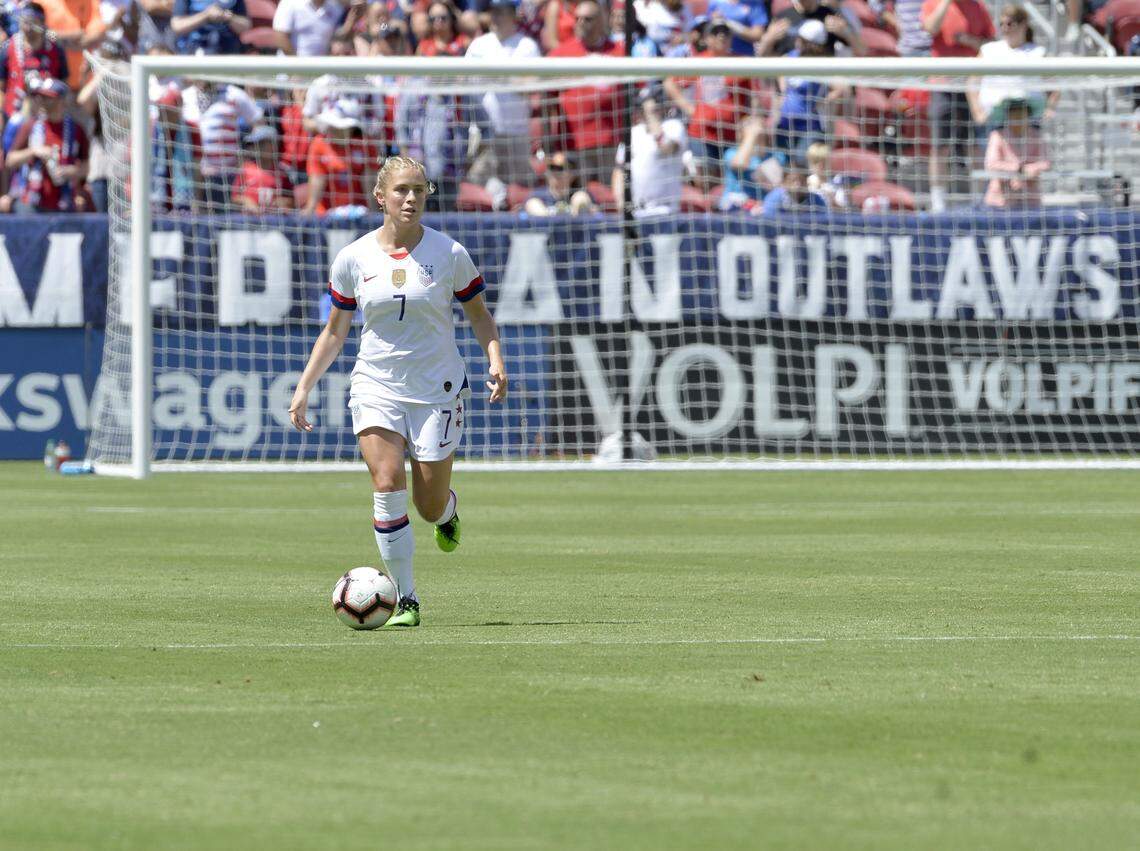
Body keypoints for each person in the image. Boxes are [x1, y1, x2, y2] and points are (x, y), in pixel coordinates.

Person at [289, 155, 508, 628]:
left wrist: (494, 358)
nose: (411, 198)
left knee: (426, 507)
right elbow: (334, 331)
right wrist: (304, 386)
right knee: (387, 483)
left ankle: (447, 509)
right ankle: (406, 599)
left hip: (437, 388)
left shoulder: (449, 254)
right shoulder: (353, 257)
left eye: (419, 190)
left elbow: (478, 315)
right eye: (402, 190)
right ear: (380, 196)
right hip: (376, 383)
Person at [920, 0, 994, 211]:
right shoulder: (933, 3)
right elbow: (930, 28)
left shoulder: (978, 6)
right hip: (942, 85)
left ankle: (979, 199)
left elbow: (992, 44)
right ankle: (938, 202)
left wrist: (970, 41)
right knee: (940, 145)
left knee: (974, 145)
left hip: (972, 86)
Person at [464, 0, 540, 202]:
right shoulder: (478, 45)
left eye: (501, 12)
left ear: (513, 15)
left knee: (519, 190)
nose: (495, 18)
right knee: (478, 182)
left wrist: (501, 76)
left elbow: (530, 87)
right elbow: (463, 86)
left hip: (515, 133)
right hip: (483, 134)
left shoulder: (527, 46)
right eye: (493, 12)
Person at [548, 0, 625, 184]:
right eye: (577, 18)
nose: (580, 23)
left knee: (608, 199)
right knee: (579, 199)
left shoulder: (618, 53)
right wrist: (550, 143)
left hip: (610, 144)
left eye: (587, 19)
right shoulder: (562, 53)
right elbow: (546, 97)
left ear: (601, 21)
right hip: (573, 145)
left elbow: (638, 91)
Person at [967, 4, 1058, 130]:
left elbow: (1054, 87)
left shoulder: (1038, 52)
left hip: (1028, 123)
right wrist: (977, 112)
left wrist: (1049, 109)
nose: (1005, 28)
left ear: (1023, 25)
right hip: (993, 121)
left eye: (1010, 23)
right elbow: (972, 82)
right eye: (1001, 24)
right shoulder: (988, 50)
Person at [6, 75, 88, 211]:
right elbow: (10, 160)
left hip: (65, 202)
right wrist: (33, 151)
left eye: (47, 98)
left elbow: (87, 165)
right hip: (31, 201)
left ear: (61, 101)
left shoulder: (76, 129)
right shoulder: (30, 126)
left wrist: (71, 171)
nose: (41, 101)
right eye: (40, 97)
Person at [611, 85, 686, 217]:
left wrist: (651, 115)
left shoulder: (673, 127)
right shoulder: (633, 133)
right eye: (641, 107)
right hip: (636, 212)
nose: (642, 111)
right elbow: (619, 171)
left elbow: (666, 147)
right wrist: (621, 202)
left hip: (666, 212)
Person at [0, 3, 69, 124]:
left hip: (47, 120)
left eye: (32, 22)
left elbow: (63, 85)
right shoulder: (8, 48)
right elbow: (1, 88)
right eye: (24, 22)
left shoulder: (55, 49)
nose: (28, 27)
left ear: (42, 24)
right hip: (13, 116)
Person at [305, 97, 373, 215]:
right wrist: (309, 211)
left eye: (336, 125)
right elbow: (317, 179)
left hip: (360, 214)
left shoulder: (365, 145)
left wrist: (374, 214)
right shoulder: (319, 143)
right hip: (326, 216)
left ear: (351, 128)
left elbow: (369, 181)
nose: (332, 128)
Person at [983, 97, 1048, 207]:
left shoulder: (1037, 136)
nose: (1017, 118)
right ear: (1007, 116)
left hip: (1030, 199)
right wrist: (1017, 169)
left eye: (1021, 114)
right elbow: (991, 164)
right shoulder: (997, 135)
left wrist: (1029, 170)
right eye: (1014, 114)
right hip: (1000, 200)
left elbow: (1045, 163)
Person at [232, 123, 294, 211]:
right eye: (253, 144)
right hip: (249, 220)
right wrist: (247, 201)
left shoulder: (282, 173)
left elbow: (291, 200)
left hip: (273, 220)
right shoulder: (246, 169)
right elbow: (235, 197)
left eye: (261, 144)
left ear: (274, 145)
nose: (256, 147)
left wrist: (283, 202)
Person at [524, 149, 595, 214]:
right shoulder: (538, 195)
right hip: (547, 227)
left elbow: (595, 211)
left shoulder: (580, 192)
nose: (556, 173)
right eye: (552, 168)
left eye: (560, 169)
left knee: (580, 198)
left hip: (575, 227)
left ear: (572, 174)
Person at [171, 0, 250, 55]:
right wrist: (206, 15)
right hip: (193, 50)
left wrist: (227, 17)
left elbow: (245, 26)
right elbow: (177, 26)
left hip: (227, 51)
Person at [272, 0, 348, 56]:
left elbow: (337, 37)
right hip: (290, 71)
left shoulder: (336, 7)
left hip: (323, 70)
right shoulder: (289, 3)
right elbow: (280, 38)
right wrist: (296, 69)